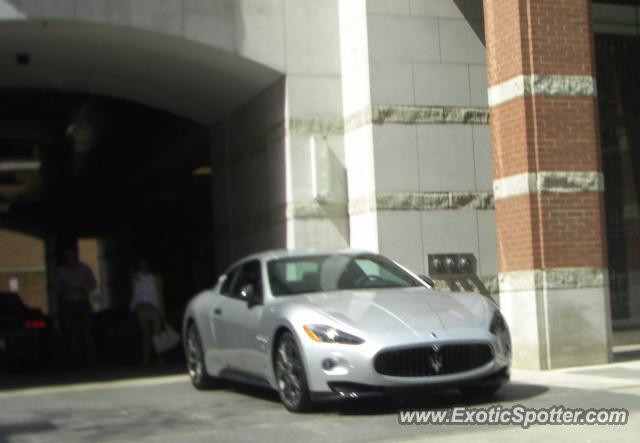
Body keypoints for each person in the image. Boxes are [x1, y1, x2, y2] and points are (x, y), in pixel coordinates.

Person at [55, 246, 97, 365]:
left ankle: (91, 358)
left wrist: (84, 289)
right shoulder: (62, 271)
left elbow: (93, 284)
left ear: (76, 254)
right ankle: (75, 359)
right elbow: (56, 286)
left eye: (71, 253)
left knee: (86, 330)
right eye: (67, 254)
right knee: (71, 332)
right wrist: (65, 290)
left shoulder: (85, 269)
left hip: (82, 303)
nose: (70, 256)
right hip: (68, 304)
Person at [130, 259, 164, 365]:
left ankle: (158, 357)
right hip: (142, 307)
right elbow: (135, 293)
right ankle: (147, 358)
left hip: (154, 306)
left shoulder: (155, 277)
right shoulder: (136, 277)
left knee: (156, 334)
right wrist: (133, 306)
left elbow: (160, 293)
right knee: (146, 335)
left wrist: (162, 309)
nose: (143, 265)